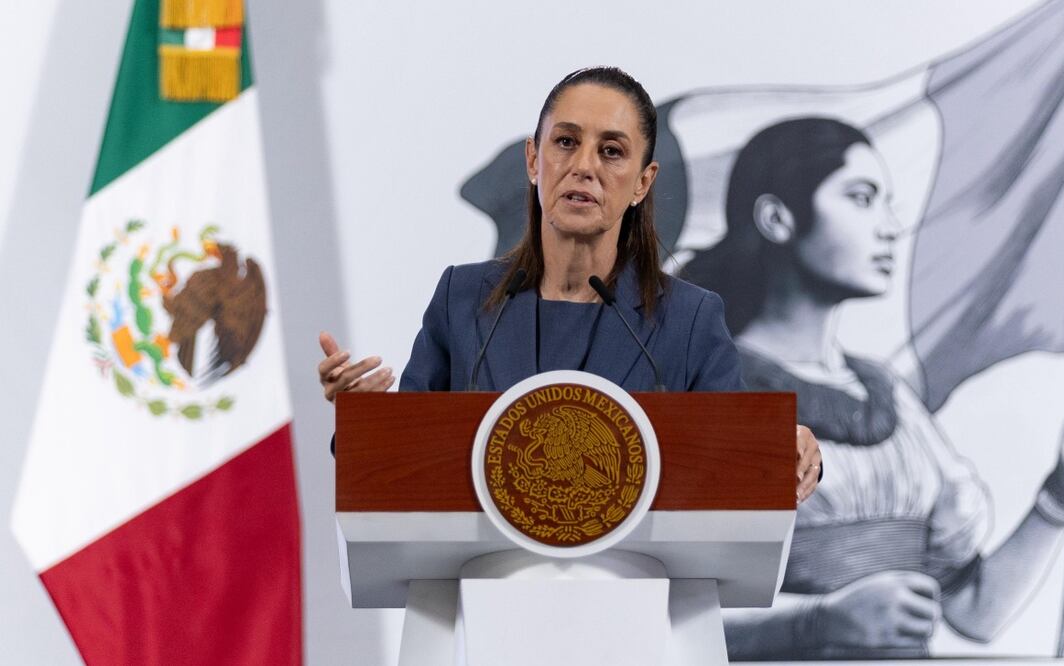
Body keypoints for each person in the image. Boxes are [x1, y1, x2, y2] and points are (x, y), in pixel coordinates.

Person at [685, 117, 1064, 660]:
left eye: (886, 203)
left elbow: (975, 612)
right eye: (861, 198)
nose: (889, 227)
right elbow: (670, 624)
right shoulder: (713, 388)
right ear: (777, 218)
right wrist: (815, 623)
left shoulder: (891, 397)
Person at [317, 66, 822, 500]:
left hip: (633, 603)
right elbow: (404, 463)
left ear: (643, 183)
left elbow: (739, 462)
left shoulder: (689, 320)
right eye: (566, 142)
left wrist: (787, 450)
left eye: (611, 151)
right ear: (535, 161)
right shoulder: (463, 301)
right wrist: (362, 418)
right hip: (488, 598)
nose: (583, 167)